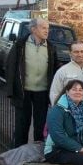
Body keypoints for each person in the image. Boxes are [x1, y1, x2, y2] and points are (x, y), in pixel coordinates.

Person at [6, 18, 58, 148]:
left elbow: (55, 69)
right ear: (33, 29)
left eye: (48, 28)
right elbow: (10, 67)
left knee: (40, 125)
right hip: (24, 91)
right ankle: (18, 152)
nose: (47, 31)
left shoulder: (51, 47)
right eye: (43, 28)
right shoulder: (20, 45)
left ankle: (37, 152)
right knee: (22, 124)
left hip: (42, 91)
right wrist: (10, 91)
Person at [49, 41, 83, 105]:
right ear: (70, 53)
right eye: (76, 52)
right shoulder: (62, 71)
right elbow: (55, 93)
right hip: (69, 111)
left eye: (82, 51)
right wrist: (60, 110)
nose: (80, 54)